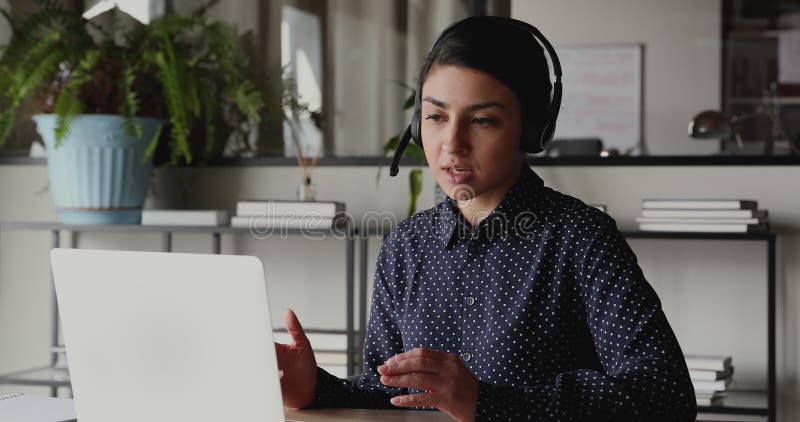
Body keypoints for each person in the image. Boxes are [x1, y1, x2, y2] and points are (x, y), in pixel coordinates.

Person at [275, 16, 697, 422]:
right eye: (436, 117)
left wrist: (489, 404)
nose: (452, 144)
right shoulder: (404, 247)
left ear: (530, 130)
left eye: (481, 120)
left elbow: (665, 395)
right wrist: (314, 388)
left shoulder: (582, 239)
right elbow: (388, 394)